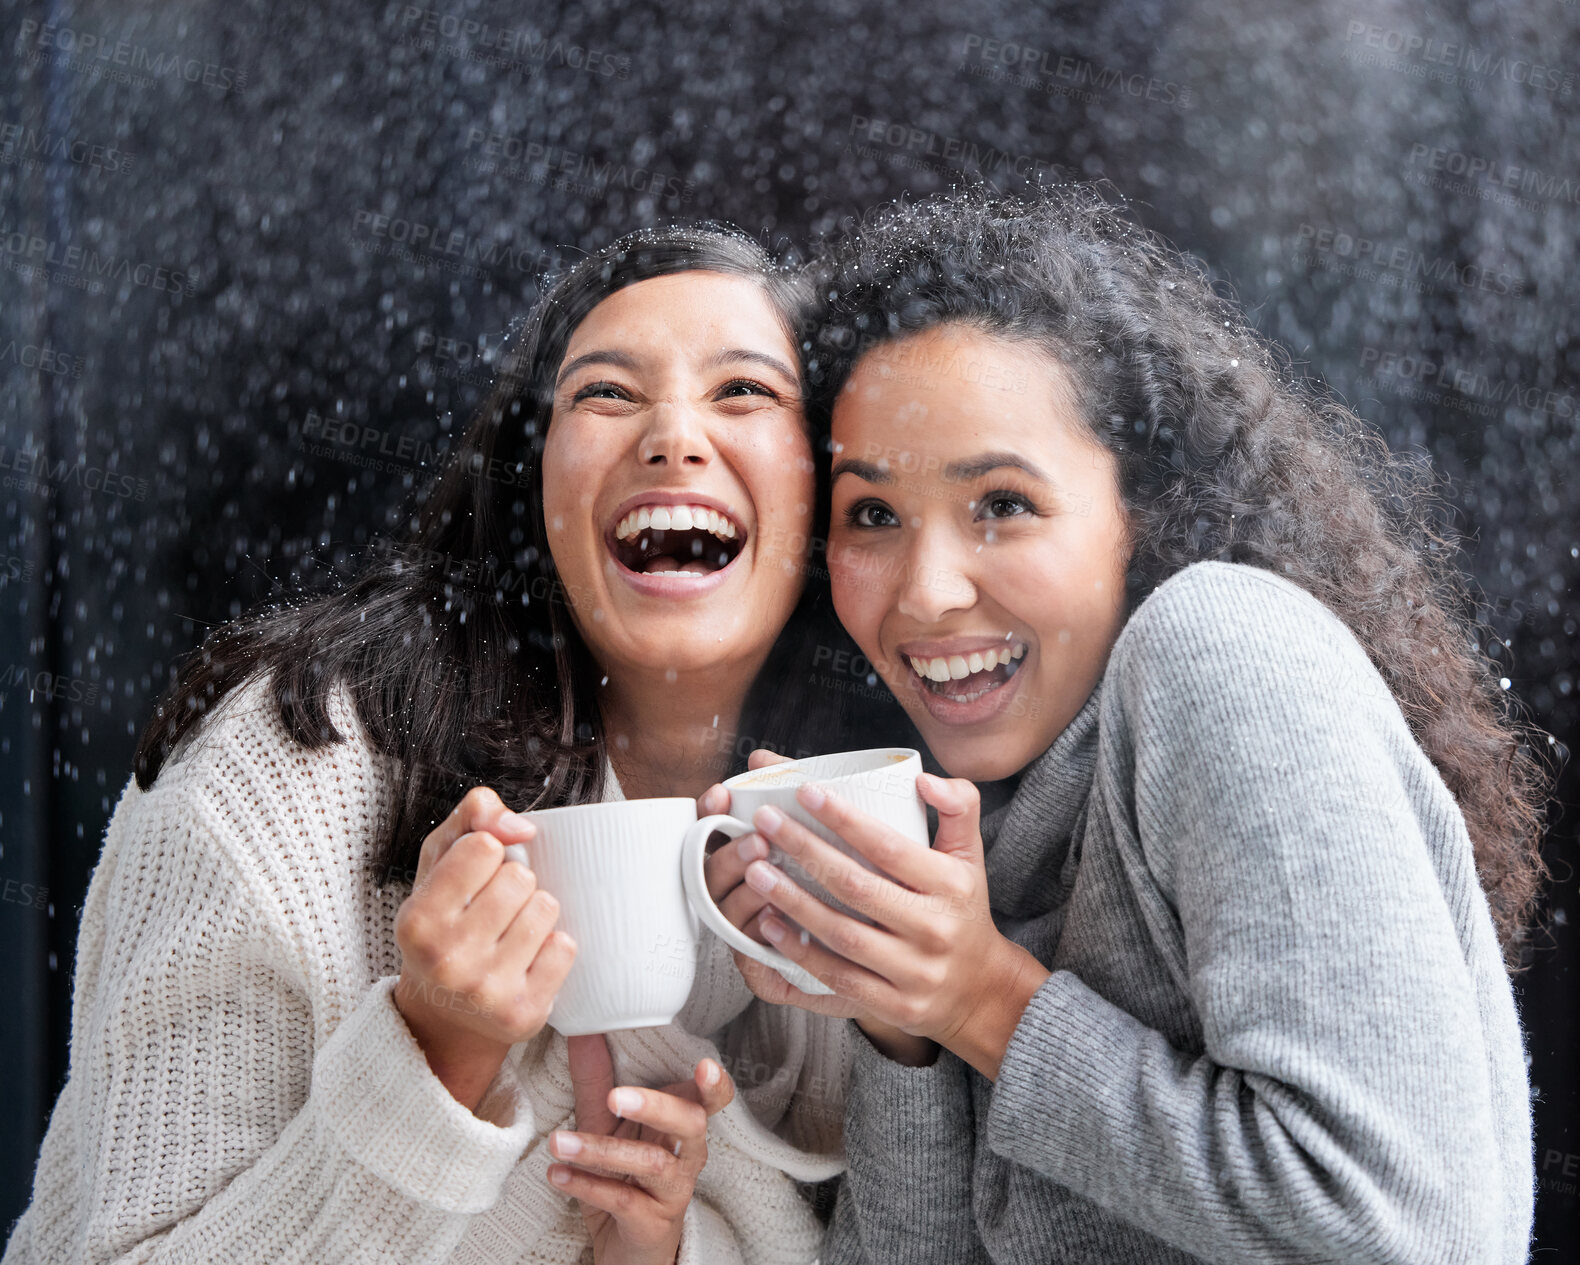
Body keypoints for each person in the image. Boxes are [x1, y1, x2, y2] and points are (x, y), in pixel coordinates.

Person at [704, 188, 1550, 1263]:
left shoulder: (1223, 647)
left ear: (1139, 509)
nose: (923, 594)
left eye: (1000, 502)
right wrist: (901, 1019)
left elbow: (1397, 1231)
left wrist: (983, 999)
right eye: (870, 514)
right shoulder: (987, 826)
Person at [3, 224, 871, 1265]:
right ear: (529, 481)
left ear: (832, 491)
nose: (673, 435)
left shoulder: (866, 815)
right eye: (603, 392)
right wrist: (435, 1054)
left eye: (743, 391)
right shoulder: (291, 766)